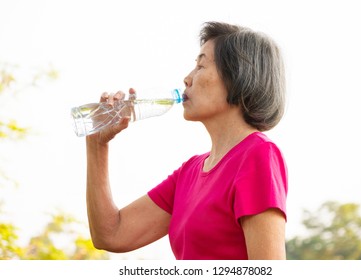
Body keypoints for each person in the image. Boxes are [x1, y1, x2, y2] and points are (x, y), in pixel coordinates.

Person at [86, 21, 288, 260]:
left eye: (201, 65)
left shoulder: (258, 154)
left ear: (238, 76)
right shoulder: (189, 172)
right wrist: (97, 145)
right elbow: (111, 234)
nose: (187, 78)